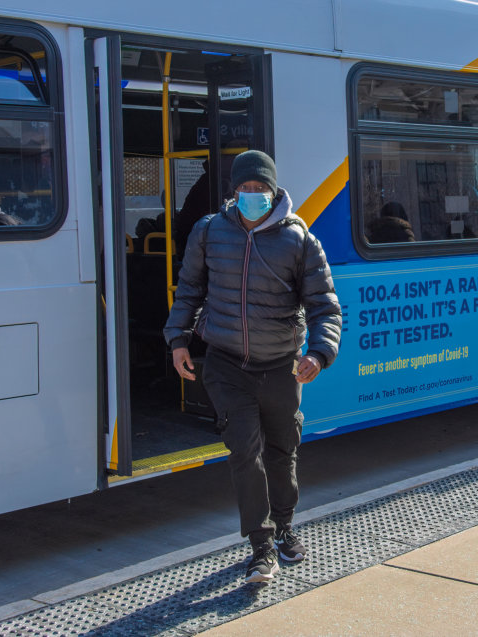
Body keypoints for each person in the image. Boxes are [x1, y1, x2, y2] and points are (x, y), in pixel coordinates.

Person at [164, 150, 342, 583]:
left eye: (259, 188)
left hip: (282, 366)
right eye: (244, 188)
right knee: (245, 450)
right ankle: (261, 549)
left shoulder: (300, 241)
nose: (251, 195)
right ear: (233, 191)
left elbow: (325, 307)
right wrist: (177, 339)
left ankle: (284, 528)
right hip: (227, 366)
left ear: (273, 190)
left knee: (282, 454)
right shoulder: (209, 233)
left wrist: (318, 354)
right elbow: (188, 289)